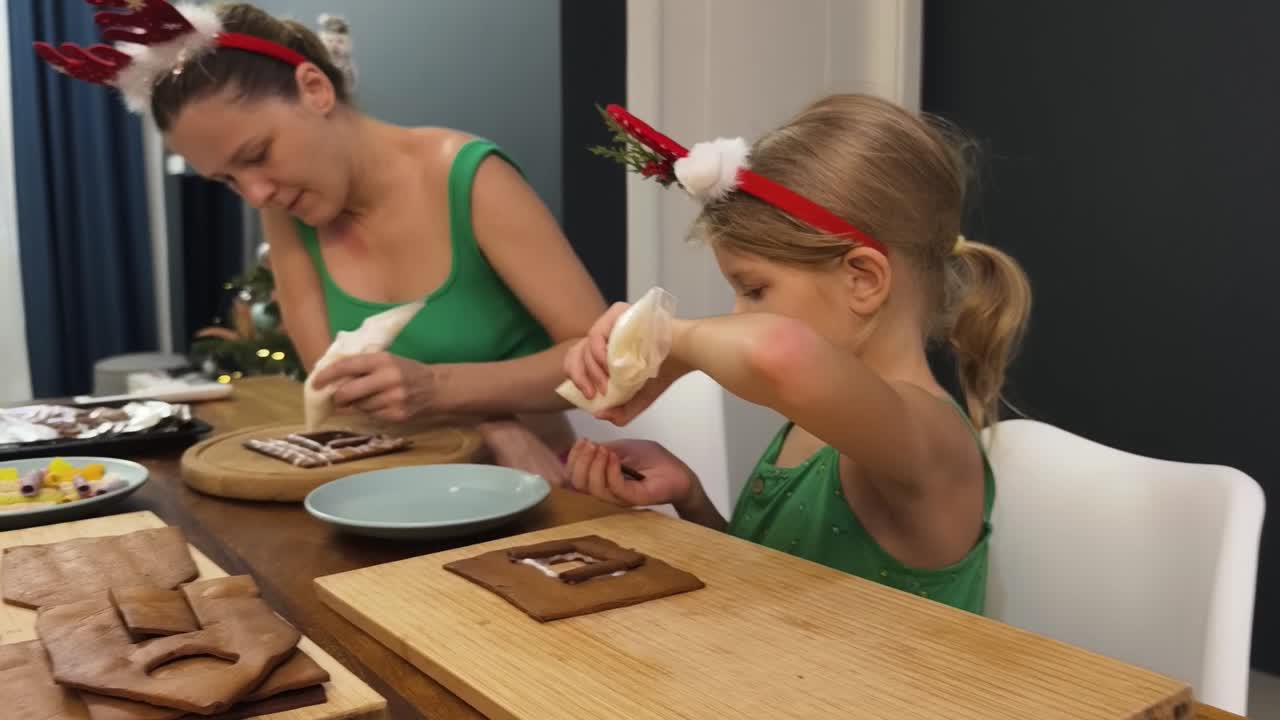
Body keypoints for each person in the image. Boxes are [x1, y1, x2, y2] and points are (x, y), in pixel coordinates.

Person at [35, 1, 605, 481]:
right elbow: (335, 385)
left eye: (256, 155)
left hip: (539, 490)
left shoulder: (469, 177)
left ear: (314, 88)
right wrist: (485, 420)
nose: (255, 195)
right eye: (228, 180)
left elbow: (598, 360)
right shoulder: (287, 208)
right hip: (388, 487)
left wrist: (440, 387)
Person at [562, 95, 1031, 613]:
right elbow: (774, 592)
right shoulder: (816, 421)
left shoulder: (928, 440)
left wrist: (671, 340)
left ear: (863, 280)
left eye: (755, 290)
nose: (740, 316)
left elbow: (780, 354)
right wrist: (690, 496)